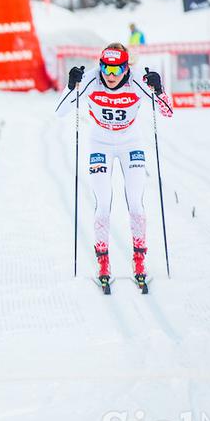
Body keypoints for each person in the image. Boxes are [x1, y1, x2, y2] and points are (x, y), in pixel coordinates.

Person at [54, 43, 172, 290]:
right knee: (103, 204)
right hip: (100, 143)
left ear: (126, 68)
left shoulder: (137, 80)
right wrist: (70, 85)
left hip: (131, 143)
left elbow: (167, 112)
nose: (109, 75)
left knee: (136, 205)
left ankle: (139, 261)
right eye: (105, 68)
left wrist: (159, 89)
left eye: (116, 69)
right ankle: (103, 263)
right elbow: (61, 111)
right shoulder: (92, 79)